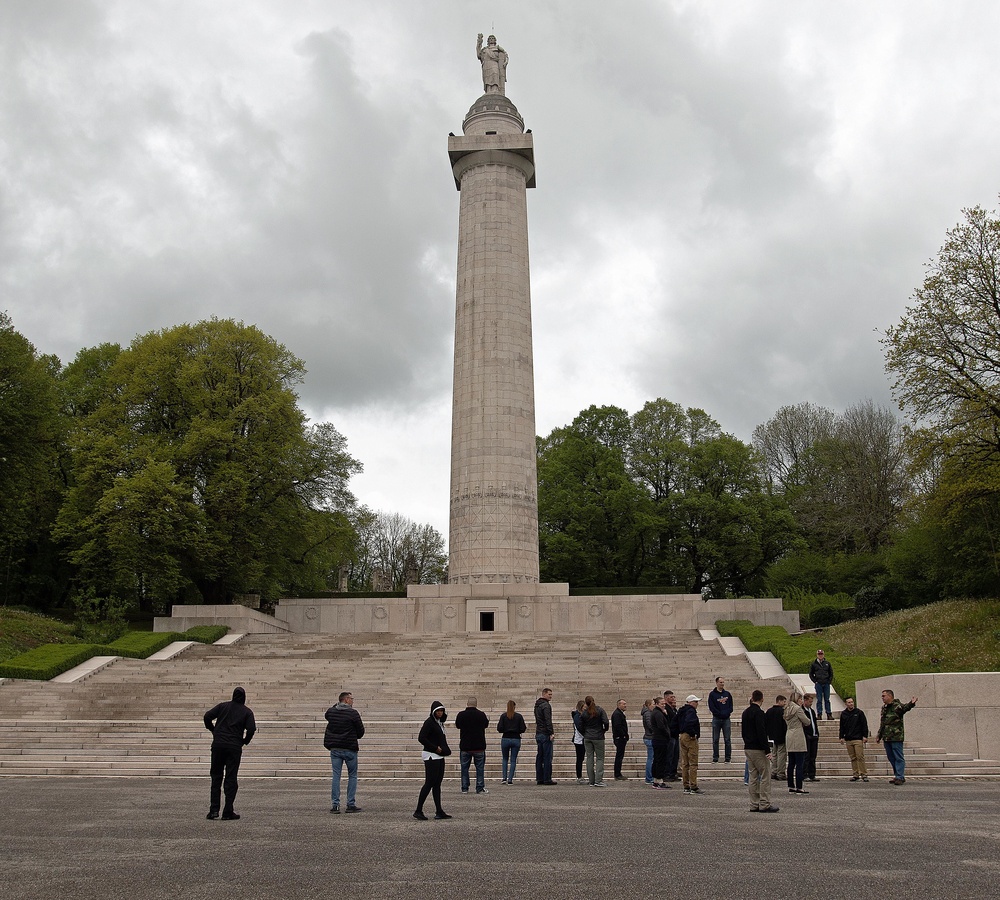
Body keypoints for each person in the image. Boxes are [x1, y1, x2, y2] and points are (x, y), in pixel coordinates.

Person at [204, 686, 256, 820]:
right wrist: (244, 741)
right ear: (244, 698)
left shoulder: (223, 706)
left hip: (218, 745)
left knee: (216, 777)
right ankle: (228, 811)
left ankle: (214, 810)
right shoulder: (247, 712)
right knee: (231, 778)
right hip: (234, 747)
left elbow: (207, 716)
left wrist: (214, 730)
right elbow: (251, 729)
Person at [323, 690, 365, 814]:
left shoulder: (331, 711)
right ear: (346, 699)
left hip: (335, 748)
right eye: (351, 698)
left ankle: (335, 805)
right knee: (352, 775)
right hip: (349, 747)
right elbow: (361, 731)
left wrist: (336, 705)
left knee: (336, 775)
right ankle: (350, 804)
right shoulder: (353, 713)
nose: (352, 701)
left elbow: (327, 715)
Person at [414, 701, 452, 820]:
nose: (440, 713)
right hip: (431, 756)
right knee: (429, 782)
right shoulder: (429, 722)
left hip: (439, 756)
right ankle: (418, 810)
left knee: (437, 784)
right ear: (433, 712)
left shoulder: (440, 723)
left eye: (441, 711)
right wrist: (435, 748)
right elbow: (421, 738)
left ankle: (439, 810)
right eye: (438, 711)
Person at [742, 690, 778, 813]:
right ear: (762, 699)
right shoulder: (759, 713)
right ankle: (764, 803)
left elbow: (743, 731)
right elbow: (761, 732)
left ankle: (754, 803)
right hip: (758, 748)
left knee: (752, 777)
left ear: (752, 698)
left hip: (748, 747)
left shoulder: (745, 712)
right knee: (765, 775)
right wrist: (767, 750)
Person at [876, 689, 918, 785]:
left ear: (890, 696)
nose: (882, 698)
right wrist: (879, 735)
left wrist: (911, 703)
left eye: (884, 696)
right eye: (882, 696)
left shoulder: (897, 706)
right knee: (891, 757)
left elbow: (905, 708)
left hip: (896, 736)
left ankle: (900, 776)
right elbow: (883, 722)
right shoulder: (884, 708)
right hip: (887, 737)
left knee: (898, 757)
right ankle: (897, 775)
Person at [455, 697, 490, 794]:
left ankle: (465, 787)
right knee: (480, 768)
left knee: (464, 768)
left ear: (467, 704)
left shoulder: (461, 715)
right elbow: (486, 725)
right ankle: (479, 787)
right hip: (479, 746)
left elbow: (457, 725)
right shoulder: (481, 715)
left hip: (465, 746)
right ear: (476, 704)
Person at [579, 695, 610, 786]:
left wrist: (585, 732)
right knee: (600, 758)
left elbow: (580, 725)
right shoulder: (599, 710)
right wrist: (604, 730)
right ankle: (598, 780)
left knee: (589, 758)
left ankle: (591, 780)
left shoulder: (584, 713)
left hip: (588, 736)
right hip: (598, 736)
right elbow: (606, 722)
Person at [783, 691, 810, 794]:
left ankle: (791, 785)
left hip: (789, 734)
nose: (802, 701)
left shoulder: (786, 709)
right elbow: (807, 721)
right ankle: (799, 786)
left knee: (791, 763)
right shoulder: (798, 709)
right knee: (799, 763)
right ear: (797, 699)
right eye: (800, 699)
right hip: (798, 734)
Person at [839, 697, 869, 782]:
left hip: (857, 738)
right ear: (846, 704)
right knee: (853, 757)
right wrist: (841, 737)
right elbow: (842, 726)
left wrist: (865, 736)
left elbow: (864, 724)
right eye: (849, 702)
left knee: (860, 756)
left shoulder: (859, 712)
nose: (851, 704)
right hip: (848, 739)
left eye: (852, 702)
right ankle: (855, 774)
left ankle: (864, 774)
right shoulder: (844, 714)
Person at [496, 700, 527, 784]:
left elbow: (499, 728)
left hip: (505, 738)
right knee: (513, 760)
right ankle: (510, 779)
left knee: (505, 759)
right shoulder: (519, 716)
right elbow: (523, 728)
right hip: (516, 738)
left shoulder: (503, 716)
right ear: (514, 707)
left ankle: (504, 778)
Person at [677, 694, 702, 794]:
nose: (697, 704)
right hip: (689, 737)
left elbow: (675, 722)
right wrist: (693, 734)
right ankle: (693, 785)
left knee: (685, 762)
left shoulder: (682, 711)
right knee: (693, 762)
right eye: (695, 702)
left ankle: (686, 785)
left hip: (682, 736)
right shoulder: (691, 711)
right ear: (691, 702)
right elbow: (689, 722)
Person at [708, 676, 734, 764]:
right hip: (716, 719)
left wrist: (726, 713)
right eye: (720, 682)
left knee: (727, 739)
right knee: (715, 739)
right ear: (716, 683)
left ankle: (728, 758)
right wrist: (719, 713)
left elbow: (731, 706)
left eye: (723, 682)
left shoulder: (727, 694)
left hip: (726, 719)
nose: (722, 684)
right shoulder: (712, 694)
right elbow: (712, 707)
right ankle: (715, 757)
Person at [649, 696, 673, 790]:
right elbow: (662, 726)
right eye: (662, 703)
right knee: (660, 760)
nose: (664, 705)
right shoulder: (658, 713)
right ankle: (659, 780)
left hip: (657, 739)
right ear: (657, 704)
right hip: (660, 739)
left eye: (664, 703)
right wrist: (668, 735)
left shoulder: (657, 712)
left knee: (657, 760)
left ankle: (656, 780)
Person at [534, 687, 556, 785]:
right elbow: (548, 720)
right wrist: (551, 732)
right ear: (544, 694)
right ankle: (547, 778)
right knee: (547, 757)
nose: (551, 696)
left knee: (540, 756)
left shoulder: (537, 705)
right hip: (545, 733)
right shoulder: (546, 706)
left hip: (539, 732)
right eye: (549, 694)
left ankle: (539, 778)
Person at [765, 695, 787, 782]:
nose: (785, 704)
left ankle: (773, 771)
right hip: (781, 735)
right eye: (784, 701)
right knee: (781, 754)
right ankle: (780, 772)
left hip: (772, 736)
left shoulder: (769, 711)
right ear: (780, 701)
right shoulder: (782, 711)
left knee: (774, 754)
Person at [809, 649, 835, 720]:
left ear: (823, 655)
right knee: (819, 699)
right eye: (819, 654)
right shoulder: (814, 664)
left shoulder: (827, 663)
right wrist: (815, 681)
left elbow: (831, 673)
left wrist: (829, 681)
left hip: (826, 683)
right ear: (817, 655)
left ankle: (829, 714)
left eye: (821, 654)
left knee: (827, 699)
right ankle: (819, 714)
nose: (820, 655)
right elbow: (811, 674)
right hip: (819, 683)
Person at [802, 693, 821, 781]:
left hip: (814, 735)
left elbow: (814, 723)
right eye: (809, 701)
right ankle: (805, 774)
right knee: (806, 756)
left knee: (813, 756)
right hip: (807, 736)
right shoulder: (802, 711)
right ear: (805, 701)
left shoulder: (812, 711)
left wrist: (816, 733)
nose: (811, 703)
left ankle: (812, 774)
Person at [611, 699, 630, 780]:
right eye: (623, 704)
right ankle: (617, 774)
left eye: (625, 704)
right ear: (619, 705)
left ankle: (618, 773)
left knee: (620, 756)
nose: (625, 705)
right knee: (619, 756)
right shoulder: (617, 714)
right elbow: (618, 726)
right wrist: (624, 735)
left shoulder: (619, 713)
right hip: (620, 738)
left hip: (620, 737)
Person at [664, 690, 681, 780]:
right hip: (670, 735)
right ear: (666, 698)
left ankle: (673, 773)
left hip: (675, 734)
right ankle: (667, 773)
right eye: (671, 697)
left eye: (674, 697)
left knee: (675, 755)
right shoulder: (665, 708)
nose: (673, 699)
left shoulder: (673, 709)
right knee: (669, 755)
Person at [641, 699, 656, 784]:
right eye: (653, 704)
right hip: (650, 737)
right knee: (651, 758)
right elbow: (650, 724)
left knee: (651, 758)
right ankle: (649, 777)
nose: (654, 705)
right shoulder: (648, 713)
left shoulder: (648, 713)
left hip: (649, 736)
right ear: (648, 705)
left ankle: (650, 777)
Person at [571, 700, 586, 784]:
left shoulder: (581, 715)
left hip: (582, 739)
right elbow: (579, 727)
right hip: (579, 740)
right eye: (584, 707)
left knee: (581, 758)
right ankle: (579, 776)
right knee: (580, 758)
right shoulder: (577, 715)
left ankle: (580, 776)